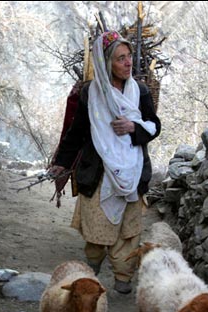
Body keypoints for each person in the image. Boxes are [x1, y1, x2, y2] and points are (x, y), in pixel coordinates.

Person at [49, 30, 161, 294]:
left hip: (133, 173)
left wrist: (134, 126)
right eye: (120, 59)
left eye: (129, 57)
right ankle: (92, 271)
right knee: (97, 231)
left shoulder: (140, 92)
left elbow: (154, 126)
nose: (128, 63)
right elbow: (76, 132)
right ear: (106, 62)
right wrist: (62, 163)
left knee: (128, 232)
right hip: (99, 172)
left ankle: (123, 278)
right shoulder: (91, 94)